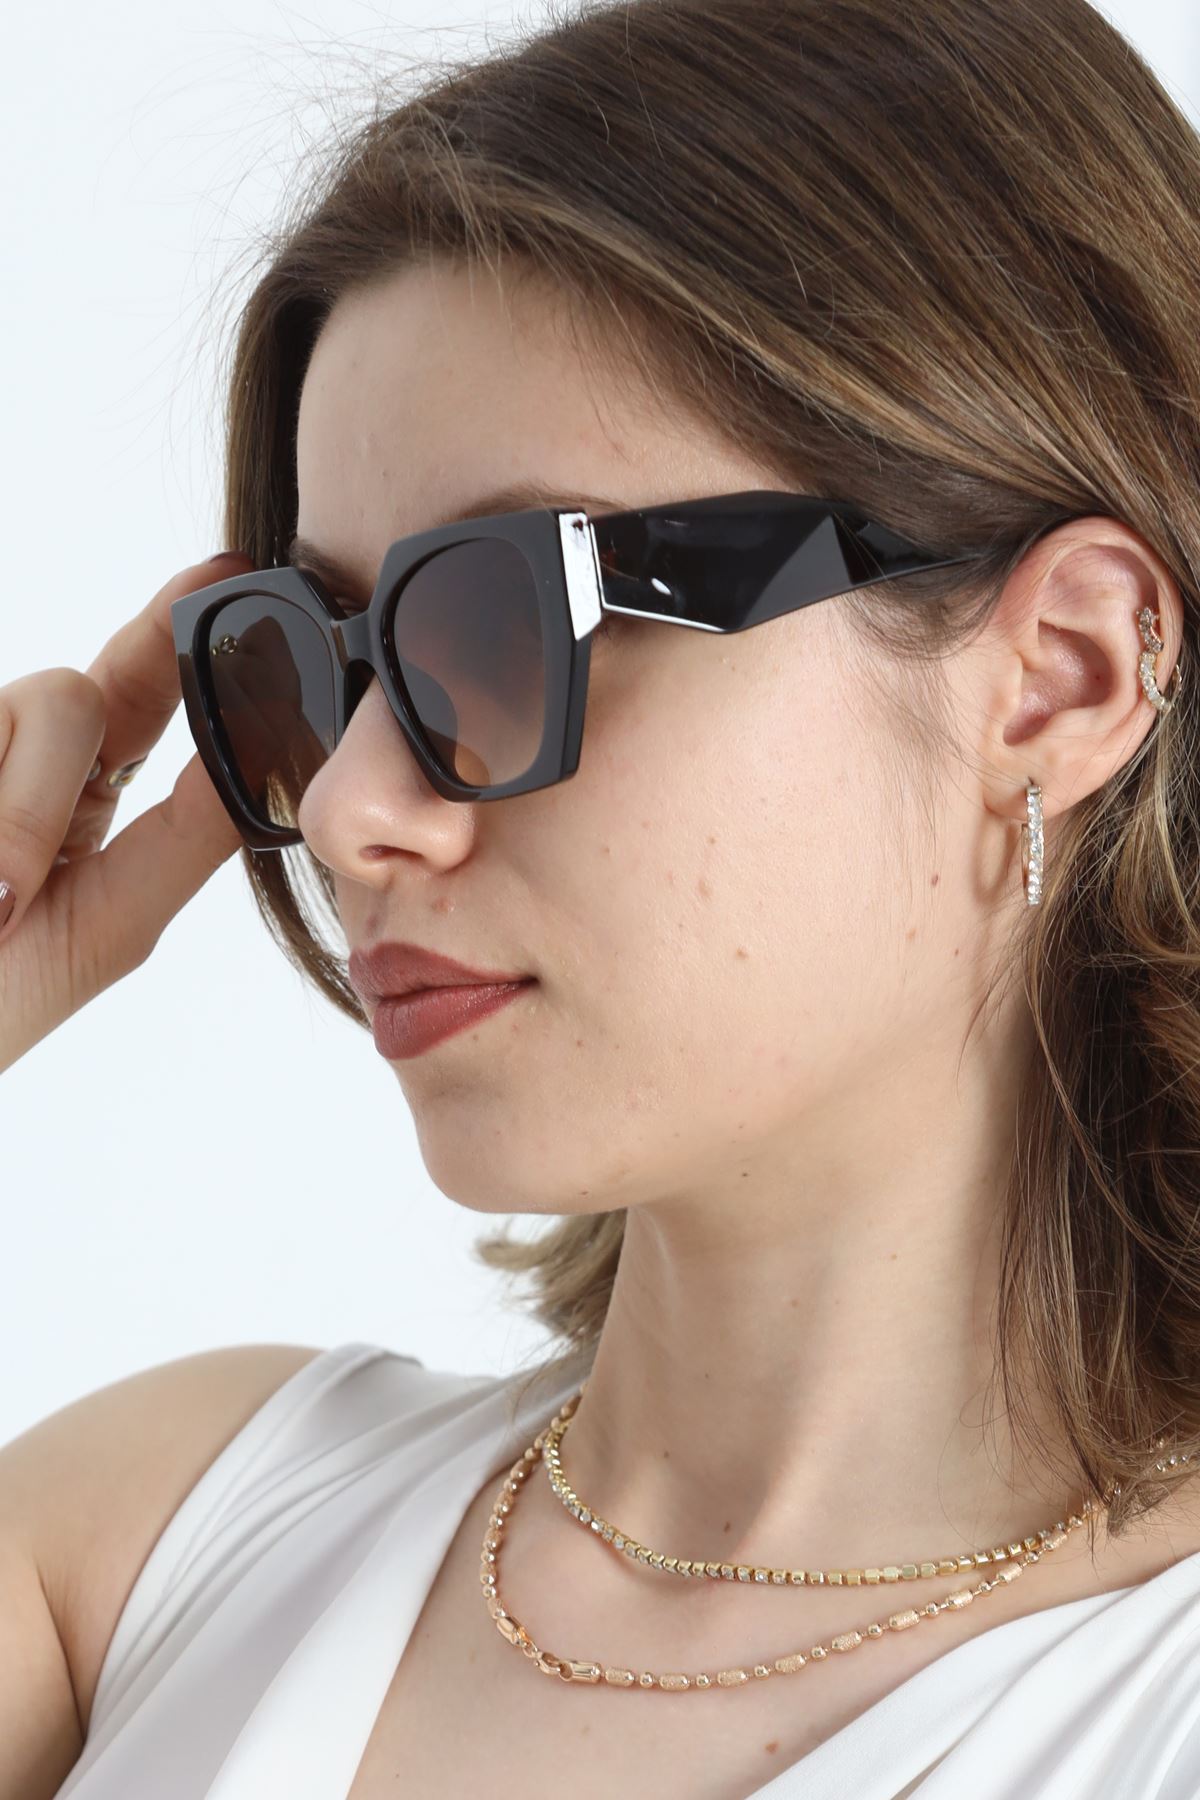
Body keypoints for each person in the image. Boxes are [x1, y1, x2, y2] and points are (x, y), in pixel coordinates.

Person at [4, 0, 1200, 1793]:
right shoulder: (144, 1548)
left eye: (507, 621)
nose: (351, 811)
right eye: (311, 658)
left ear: (1063, 675)